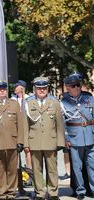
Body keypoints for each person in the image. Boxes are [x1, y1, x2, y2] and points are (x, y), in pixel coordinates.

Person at [23, 77, 65, 200]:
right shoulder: (28, 104)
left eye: (44, 88)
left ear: (47, 89)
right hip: (34, 141)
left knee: (52, 169)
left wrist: (60, 141)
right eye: (39, 88)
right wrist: (26, 143)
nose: (42, 90)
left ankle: (53, 193)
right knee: (37, 169)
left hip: (51, 141)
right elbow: (25, 125)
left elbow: (59, 125)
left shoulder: (55, 103)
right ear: (34, 89)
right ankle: (39, 193)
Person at [0, 80, 24, 199]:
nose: (2, 91)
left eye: (4, 89)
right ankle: (2, 192)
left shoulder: (14, 104)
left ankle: (11, 192)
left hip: (12, 141)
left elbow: (20, 124)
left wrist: (20, 141)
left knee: (12, 169)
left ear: (6, 90)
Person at [60, 72, 94, 200]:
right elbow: (62, 124)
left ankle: (93, 188)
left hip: (90, 136)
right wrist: (67, 138)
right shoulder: (64, 102)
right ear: (68, 87)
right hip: (75, 138)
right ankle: (80, 190)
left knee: (92, 165)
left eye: (78, 85)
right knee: (77, 167)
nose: (77, 88)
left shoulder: (89, 98)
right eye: (73, 86)